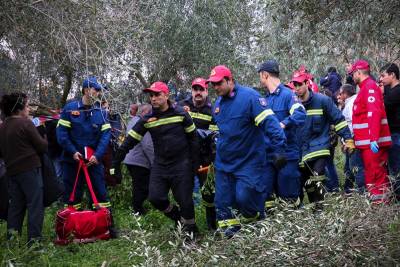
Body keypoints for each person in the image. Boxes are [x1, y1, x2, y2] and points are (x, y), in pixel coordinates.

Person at [111, 81, 200, 236]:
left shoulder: (181, 114)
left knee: (185, 200)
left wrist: (195, 165)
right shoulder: (147, 119)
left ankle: (191, 232)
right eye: (151, 95)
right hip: (160, 165)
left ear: (166, 95)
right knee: (155, 198)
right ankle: (178, 218)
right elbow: (128, 142)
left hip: (182, 164)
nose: (153, 98)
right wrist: (115, 164)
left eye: (157, 95)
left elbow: (193, 139)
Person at [207, 65, 287, 237]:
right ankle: (231, 238)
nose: (215, 87)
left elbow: (271, 124)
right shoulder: (217, 105)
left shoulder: (250, 97)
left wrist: (279, 149)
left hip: (248, 162)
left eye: (218, 83)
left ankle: (255, 227)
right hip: (224, 164)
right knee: (222, 202)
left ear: (230, 80)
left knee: (244, 198)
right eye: (212, 84)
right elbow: (216, 130)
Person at [56, 76, 117, 237]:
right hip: (72, 161)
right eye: (95, 89)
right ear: (85, 89)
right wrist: (72, 152)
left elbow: (105, 137)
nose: (97, 92)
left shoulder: (101, 113)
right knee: (72, 194)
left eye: (99, 90)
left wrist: (97, 156)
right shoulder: (69, 109)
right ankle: (69, 229)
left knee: (100, 193)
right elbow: (61, 135)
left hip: (93, 162)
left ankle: (106, 227)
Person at [292, 72, 353, 208]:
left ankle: (320, 207)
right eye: (294, 85)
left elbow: (338, 120)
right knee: (308, 184)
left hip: (320, 149)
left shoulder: (322, 101)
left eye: (299, 84)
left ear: (307, 84)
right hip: (301, 151)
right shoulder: (293, 104)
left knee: (318, 176)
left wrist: (348, 139)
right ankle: (316, 208)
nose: (296, 88)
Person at [257, 60, 306, 209]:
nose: (260, 79)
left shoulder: (287, 95)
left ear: (265, 75)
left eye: (260, 75)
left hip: (287, 155)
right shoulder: (264, 100)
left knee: (289, 198)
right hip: (268, 156)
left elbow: (300, 113)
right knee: (266, 197)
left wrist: (283, 124)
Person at [0, 93, 48, 244]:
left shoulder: (2, 127)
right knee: (35, 205)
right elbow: (42, 147)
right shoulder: (26, 124)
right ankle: (35, 243)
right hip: (30, 170)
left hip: (12, 171)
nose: (28, 109)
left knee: (16, 206)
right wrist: (44, 134)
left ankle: (12, 240)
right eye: (27, 106)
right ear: (19, 109)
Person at [349, 60, 392, 204]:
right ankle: (376, 207)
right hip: (367, 144)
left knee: (376, 176)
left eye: (353, 73)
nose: (352, 77)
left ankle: (381, 208)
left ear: (358, 72)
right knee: (372, 176)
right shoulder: (366, 88)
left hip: (372, 144)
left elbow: (374, 113)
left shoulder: (369, 87)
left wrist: (373, 138)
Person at [178, 77, 217, 229]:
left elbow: (214, 134)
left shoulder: (212, 110)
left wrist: (194, 133)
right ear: (192, 91)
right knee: (184, 193)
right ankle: (188, 226)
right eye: (196, 89)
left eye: (201, 89)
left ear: (206, 91)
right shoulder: (182, 106)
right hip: (184, 157)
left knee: (208, 193)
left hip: (204, 158)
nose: (198, 92)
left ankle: (212, 225)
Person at [123, 104, 154, 215]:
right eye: (150, 112)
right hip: (139, 161)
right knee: (142, 187)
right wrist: (153, 162)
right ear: (144, 112)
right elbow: (147, 145)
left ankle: (137, 209)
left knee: (137, 185)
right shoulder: (141, 123)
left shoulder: (132, 121)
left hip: (130, 159)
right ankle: (138, 210)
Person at [339, 84, 365, 193]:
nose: (339, 96)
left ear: (345, 94)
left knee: (356, 168)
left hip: (353, 141)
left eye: (340, 94)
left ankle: (362, 192)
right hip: (351, 140)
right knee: (350, 168)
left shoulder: (351, 104)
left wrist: (350, 141)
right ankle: (348, 190)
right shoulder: (349, 103)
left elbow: (354, 123)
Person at [380, 63, 400, 199]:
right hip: (392, 135)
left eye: (383, 75)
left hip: (396, 135)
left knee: (396, 168)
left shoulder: (397, 92)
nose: (381, 79)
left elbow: (383, 106)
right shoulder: (390, 90)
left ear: (392, 75)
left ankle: (397, 197)